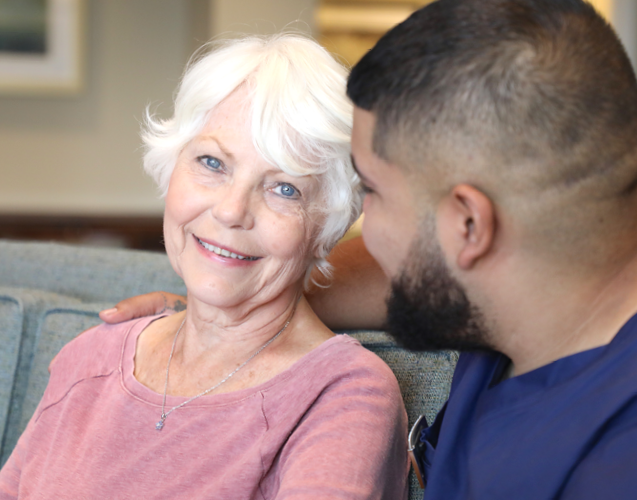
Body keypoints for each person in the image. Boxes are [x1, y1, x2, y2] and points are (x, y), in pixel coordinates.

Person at [105, 0, 637, 498]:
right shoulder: (590, 245)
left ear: (469, 225)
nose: (364, 229)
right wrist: (228, 306)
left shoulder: (632, 454)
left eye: (372, 191)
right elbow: (390, 275)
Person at [0, 34, 409, 499]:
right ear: (172, 166)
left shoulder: (344, 394)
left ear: (327, 224)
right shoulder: (89, 356)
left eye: (284, 189)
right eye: (212, 162)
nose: (232, 210)